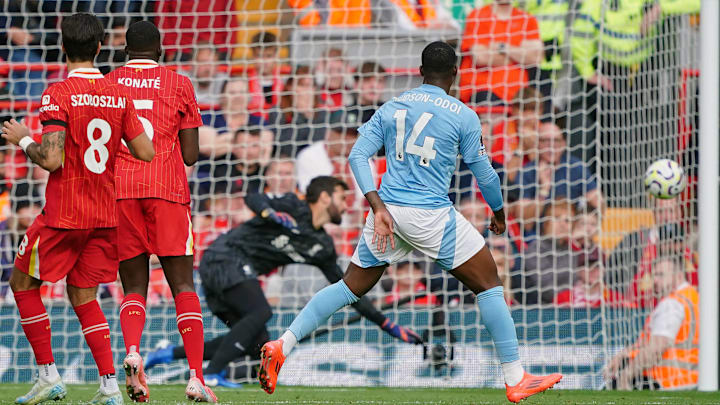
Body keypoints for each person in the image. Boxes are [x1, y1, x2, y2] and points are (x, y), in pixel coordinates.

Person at [258, 41, 562, 403]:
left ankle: (282, 343)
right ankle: (515, 377)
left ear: (419, 72)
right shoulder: (463, 114)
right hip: (431, 215)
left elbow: (357, 156)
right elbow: (485, 173)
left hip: (387, 213)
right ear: (455, 72)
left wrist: (377, 206)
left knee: (348, 287)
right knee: (490, 284)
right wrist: (498, 213)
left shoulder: (392, 106)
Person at [0, 13, 155, 405]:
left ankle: (49, 375)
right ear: (101, 47)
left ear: (63, 46)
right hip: (105, 215)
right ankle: (108, 387)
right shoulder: (119, 94)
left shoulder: (58, 92)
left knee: (22, 284)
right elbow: (146, 151)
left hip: (64, 214)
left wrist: (22, 140)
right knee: (83, 294)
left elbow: (51, 160)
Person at [144, 177, 422, 387]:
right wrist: (271, 214)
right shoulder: (292, 205)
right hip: (224, 257)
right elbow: (253, 197)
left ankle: (167, 354)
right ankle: (213, 374)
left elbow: (348, 290)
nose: (346, 204)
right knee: (261, 312)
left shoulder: (321, 246)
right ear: (324, 197)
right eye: (341, 196)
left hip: (232, 274)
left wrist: (386, 323)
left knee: (255, 342)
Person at [105, 21, 216, 402]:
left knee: (133, 287)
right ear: (161, 50)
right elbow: (190, 156)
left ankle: (133, 352)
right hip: (167, 191)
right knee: (183, 287)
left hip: (121, 193)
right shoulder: (179, 83)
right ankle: (196, 377)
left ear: (123, 51)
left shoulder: (109, 84)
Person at [604, 255, 699, 390]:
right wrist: (624, 354)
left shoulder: (672, 304)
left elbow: (655, 350)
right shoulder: (693, 297)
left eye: (660, 275)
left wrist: (626, 376)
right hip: (691, 380)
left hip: (667, 383)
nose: (655, 281)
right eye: (654, 276)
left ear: (678, 275)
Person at [459, 0, 544, 105]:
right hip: (483, 92)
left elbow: (536, 58)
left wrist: (502, 47)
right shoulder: (477, 16)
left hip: (519, 96)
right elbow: (482, 58)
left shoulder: (527, 19)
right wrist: (519, 54)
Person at [516, 198, 575, 305]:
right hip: (543, 312)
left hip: (575, 307)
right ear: (546, 223)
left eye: (567, 220)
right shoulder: (535, 249)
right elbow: (548, 289)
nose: (562, 224)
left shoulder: (573, 251)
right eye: (556, 218)